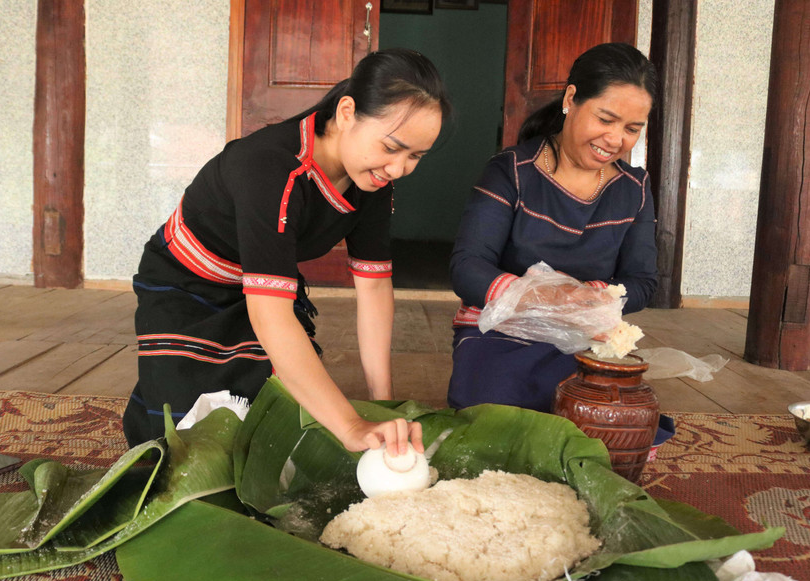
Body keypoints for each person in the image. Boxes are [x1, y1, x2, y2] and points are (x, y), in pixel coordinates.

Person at [124, 48, 452, 457]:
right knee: (184, 439)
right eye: (392, 147)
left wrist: (383, 405)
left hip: (262, 286)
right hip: (185, 285)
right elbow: (271, 316)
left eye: (415, 156)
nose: (400, 168)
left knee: (277, 429)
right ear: (347, 112)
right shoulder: (270, 167)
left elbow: (373, 288)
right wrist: (351, 425)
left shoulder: (372, 178)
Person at [447, 43, 658, 412]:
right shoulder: (511, 171)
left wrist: (589, 297)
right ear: (571, 98)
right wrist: (548, 296)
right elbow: (467, 267)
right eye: (605, 119)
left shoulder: (634, 188)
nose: (615, 140)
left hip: (583, 337)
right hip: (501, 330)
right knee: (492, 414)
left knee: (612, 415)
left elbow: (642, 282)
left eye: (632, 128)